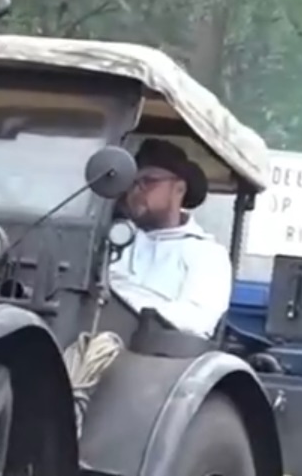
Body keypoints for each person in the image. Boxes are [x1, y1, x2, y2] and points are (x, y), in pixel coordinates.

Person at [63, 138, 233, 426]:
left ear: (179, 189)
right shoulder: (112, 237)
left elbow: (198, 320)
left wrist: (130, 302)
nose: (135, 191)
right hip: (85, 346)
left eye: (148, 182)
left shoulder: (206, 254)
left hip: (156, 369)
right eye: (131, 183)